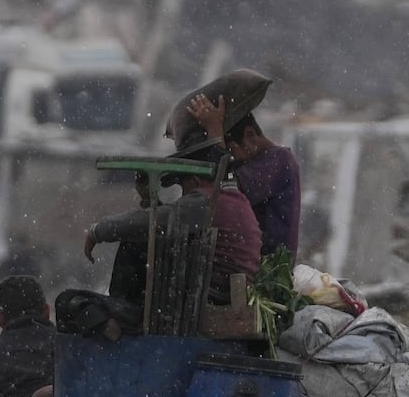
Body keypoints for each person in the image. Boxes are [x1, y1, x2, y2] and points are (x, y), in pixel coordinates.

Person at [83, 128, 261, 302]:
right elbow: (164, 220)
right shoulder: (238, 200)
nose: (184, 195)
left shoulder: (204, 202)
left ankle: (120, 306)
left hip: (212, 295)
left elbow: (150, 222)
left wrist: (97, 231)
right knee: (149, 233)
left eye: (184, 187)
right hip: (223, 291)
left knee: (136, 240)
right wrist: (147, 200)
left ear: (195, 180)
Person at [223, 113, 302, 257]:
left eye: (232, 150)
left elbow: (227, 191)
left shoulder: (279, 158)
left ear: (250, 134)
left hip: (269, 264)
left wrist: (214, 133)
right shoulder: (264, 161)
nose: (234, 158)